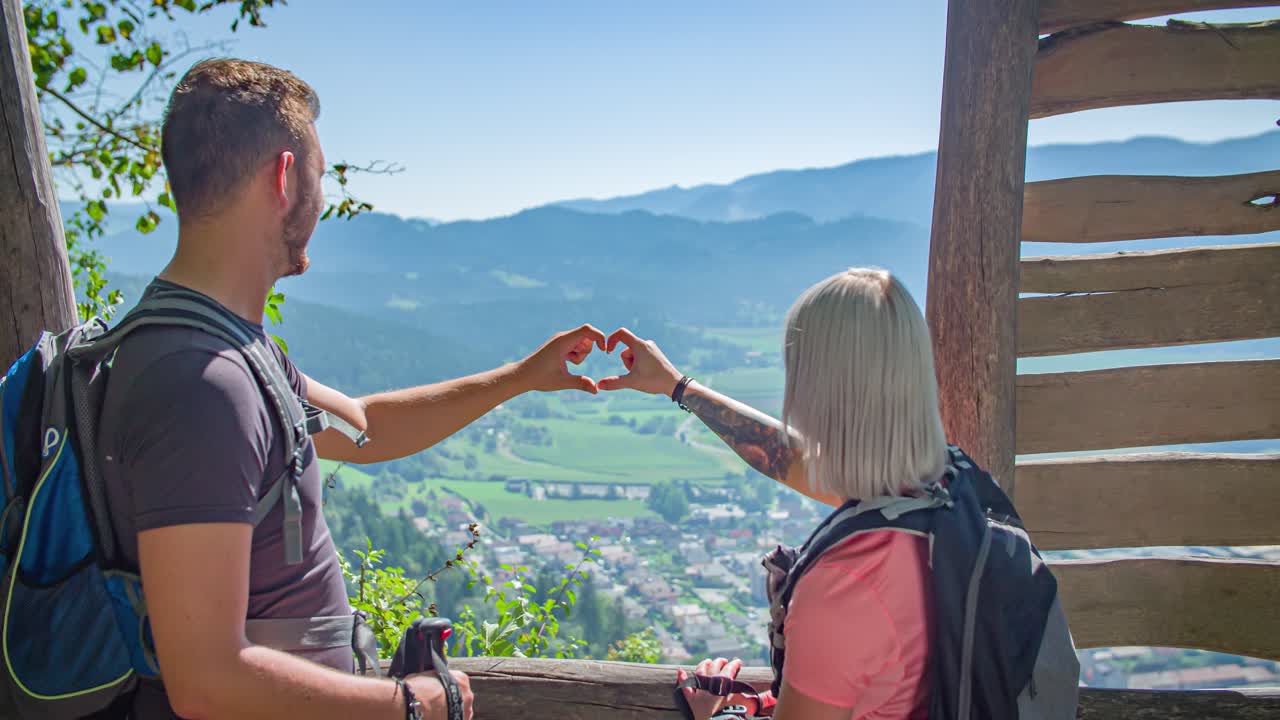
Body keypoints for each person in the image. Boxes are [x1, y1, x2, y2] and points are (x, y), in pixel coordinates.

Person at [102, 58, 610, 719]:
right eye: (316, 177)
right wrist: (408, 705)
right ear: (283, 179)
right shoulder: (202, 385)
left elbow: (362, 428)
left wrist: (520, 379)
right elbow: (207, 679)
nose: (319, 203)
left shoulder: (230, 352)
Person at [599, 268, 945, 720]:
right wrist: (676, 385)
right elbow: (788, 459)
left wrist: (715, 716)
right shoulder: (953, 492)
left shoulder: (844, 586)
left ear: (813, 387)